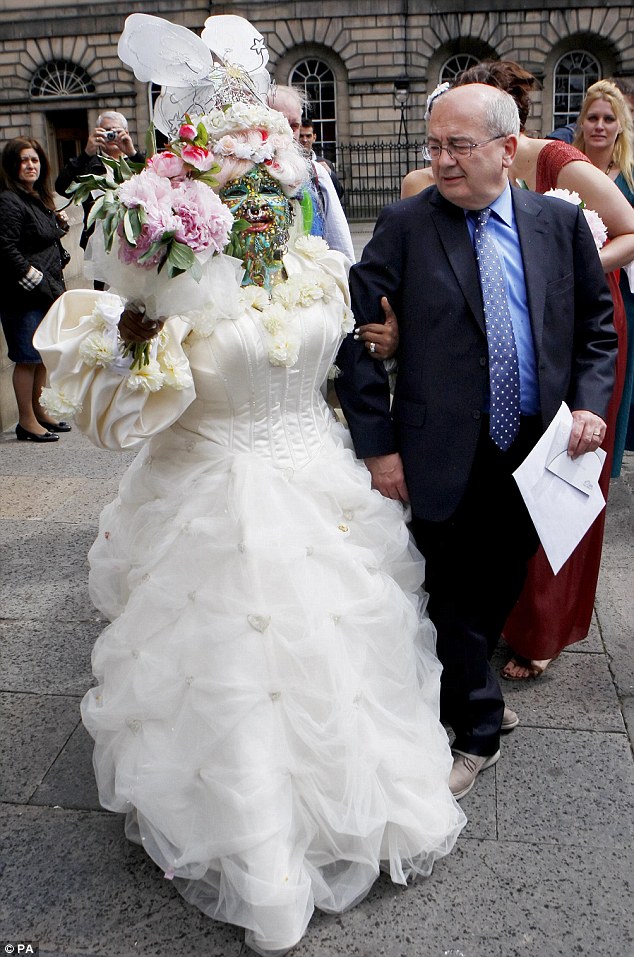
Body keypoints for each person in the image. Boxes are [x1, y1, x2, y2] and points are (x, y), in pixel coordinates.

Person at [34, 86, 465, 954]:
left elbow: (348, 360)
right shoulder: (164, 267)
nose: (259, 182)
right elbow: (121, 392)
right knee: (230, 672)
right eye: (240, 167)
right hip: (212, 491)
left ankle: (356, 810)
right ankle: (254, 844)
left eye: (270, 164)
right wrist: (135, 344)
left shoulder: (313, 260)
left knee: (344, 653)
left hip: (316, 477)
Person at [335, 83, 617, 799]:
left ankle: (467, 693)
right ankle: (477, 730)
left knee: (499, 579)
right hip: (438, 449)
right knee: (454, 594)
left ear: (505, 147)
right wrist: (377, 447)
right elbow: (359, 343)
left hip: (536, 449)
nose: (443, 160)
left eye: (458, 146)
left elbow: (593, 331)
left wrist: (587, 405)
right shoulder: (404, 225)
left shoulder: (557, 225)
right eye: (434, 146)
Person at [445, 61, 632, 681]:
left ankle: (544, 628)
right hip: (519, 325)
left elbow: (632, 229)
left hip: (579, 318)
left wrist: (564, 266)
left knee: (563, 468)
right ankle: (508, 607)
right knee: (515, 465)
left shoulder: (559, 162)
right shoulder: (458, 177)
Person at [572, 79, 634, 478]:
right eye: (592, 117)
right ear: (581, 123)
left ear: (620, 125)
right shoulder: (568, 168)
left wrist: (596, 260)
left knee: (617, 374)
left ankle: (606, 460)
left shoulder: (628, 174)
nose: (599, 125)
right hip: (573, 292)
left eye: (608, 118)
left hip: (620, 289)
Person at [0, 137, 69, 442]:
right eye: (24, 160)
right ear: (12, 165)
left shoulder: (34, 197)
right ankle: (26, 421)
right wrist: (32, 277)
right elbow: (5, 246)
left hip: (45, 289)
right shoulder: (9, 199)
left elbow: (38, 238)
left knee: (40, 354)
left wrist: (59, 225)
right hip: (22, 294)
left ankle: (40, 412)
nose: (31, 165)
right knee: (27, 357)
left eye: (35, 160)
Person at [268, 85, 355, 262]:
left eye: (294, 126)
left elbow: (341, 247)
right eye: (281, 123)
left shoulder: (317, 174)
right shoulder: (237, 174)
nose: (289, 134)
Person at [55, 111, 144, 250]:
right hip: (98, 245)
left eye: (117, 131)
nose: (112, 136)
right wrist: (85, 155)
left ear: (126, 132)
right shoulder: (87, 165)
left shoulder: (137, 163)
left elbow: (161, 181)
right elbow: (62, 188)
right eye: (107, 131)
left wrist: (133, 154)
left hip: (136, 242)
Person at [299, 118, 345, 202]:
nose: (305, 140)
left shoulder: (326, 164)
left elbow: (339, 193)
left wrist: (330, 173)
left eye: (308, 136)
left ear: (314, 137)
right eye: (301, 136)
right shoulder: (291, 163)